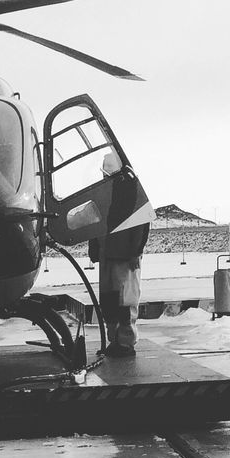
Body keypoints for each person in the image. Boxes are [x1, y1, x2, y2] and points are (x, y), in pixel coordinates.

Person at [88, 151, 150, 356]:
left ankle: (125, 343)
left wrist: (135, 253)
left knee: (125, 303)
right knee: (110, 302)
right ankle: (114, 341)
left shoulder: (133, 192)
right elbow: (95, 222)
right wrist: (95, 249)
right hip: (110, 255)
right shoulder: (105, 193)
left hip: (125, 259)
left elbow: (142, 226)